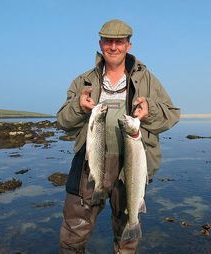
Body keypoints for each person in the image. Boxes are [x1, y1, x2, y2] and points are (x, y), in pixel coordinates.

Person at [57, 19, 180, 254]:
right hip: (90, 161)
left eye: (119, 42)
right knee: (74, 231)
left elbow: (171, 116)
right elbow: (63, 121)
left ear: (129, 45)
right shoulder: (83, 81)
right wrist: (79, 107)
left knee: (126, 234)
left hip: (131, 164)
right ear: (100, 43)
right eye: (108, 41)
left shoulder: (147, 80)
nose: (113, 47)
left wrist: (150, 110)